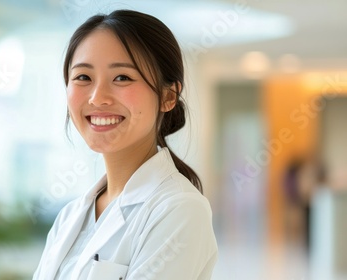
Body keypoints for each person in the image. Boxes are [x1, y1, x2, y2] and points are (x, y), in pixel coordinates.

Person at [33, 9, 218, 280]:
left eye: (122, 78)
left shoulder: (180, 210)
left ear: (168, 96)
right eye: (83, 77)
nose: (97, 98)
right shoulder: (70, 216)